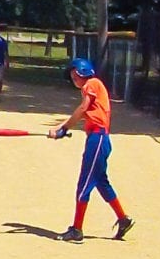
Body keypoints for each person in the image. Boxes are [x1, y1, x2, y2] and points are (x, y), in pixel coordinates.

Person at [52, 57, 133, 243]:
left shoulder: (92, 84)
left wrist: (64, 130)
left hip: (97, 140)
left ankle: (77, 230)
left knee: (84, 184)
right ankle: (123, 219)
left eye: (75, 76)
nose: (74, 80)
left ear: (84, 72)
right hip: (99, 139)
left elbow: (81, 109)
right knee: (101, 183)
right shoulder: (92, 88)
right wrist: (61, 127)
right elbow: (82, 114)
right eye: (72, 78)